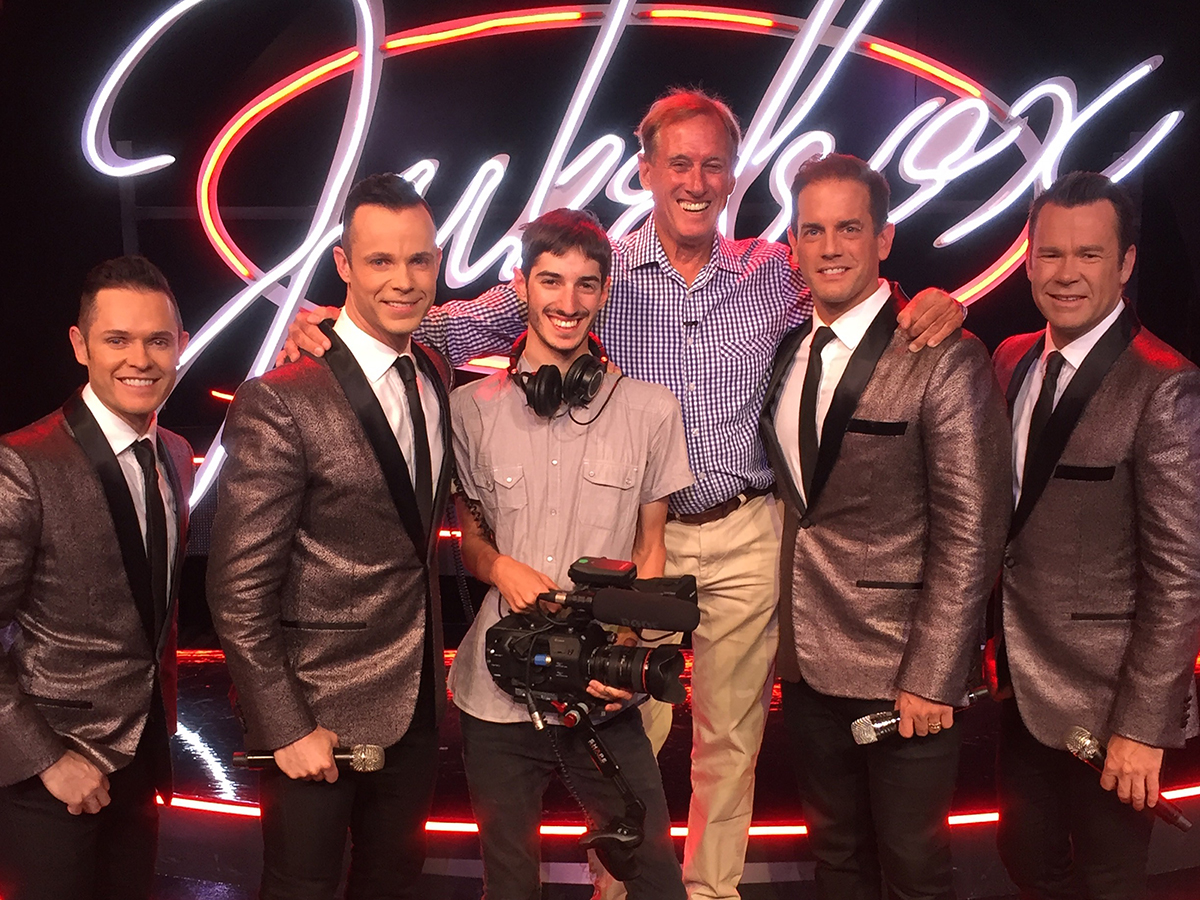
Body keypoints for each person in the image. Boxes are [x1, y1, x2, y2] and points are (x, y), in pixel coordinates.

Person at [284, 89, 964, 900]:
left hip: (747, 530)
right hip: (638, 541)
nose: (695, 180)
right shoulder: (596, 268)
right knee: (620, 726)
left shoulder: (772, 271)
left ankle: (709, 893)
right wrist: (328, 326)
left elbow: (850, 282)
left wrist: (930, 299)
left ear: (734, 175)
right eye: (678, 162)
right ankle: (621, 890)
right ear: (644, 171)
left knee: (731, 741)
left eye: (713, 163)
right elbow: (446, 323)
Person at [760, 154, 1010, 900]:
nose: (830, 247)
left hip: (904, 673)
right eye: (813, 231)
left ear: (884, 238)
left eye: (849, 228)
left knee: (913, 873)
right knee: (836, 863)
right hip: (806, 666)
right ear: (793, 244)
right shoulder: (787, 350)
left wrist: (934, 677)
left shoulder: (945, 357)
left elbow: (972, 530)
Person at [206, 174, 454, 900]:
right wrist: (284, 726)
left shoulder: (433, 370)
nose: (403, 280)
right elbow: (237, 588)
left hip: (415, 705)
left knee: (394, 884)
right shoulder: (279, 399)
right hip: (315, 708)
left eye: (419, 260)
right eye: (380, 261)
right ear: (343, 265)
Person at [450, 207, 693, 899]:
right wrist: (500, 567)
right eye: (551, 280)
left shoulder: (650, 409)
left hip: (600, 692)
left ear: (605, 292)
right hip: (497, 690)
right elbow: (471, 541)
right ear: (521, 284)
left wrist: (626, 643)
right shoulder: (470, 410)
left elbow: (650, 546)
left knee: (657, 880)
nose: (568, 301)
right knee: (510, 886)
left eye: (587, 283)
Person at [989, 171, 1200, 900]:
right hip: (1021, 686)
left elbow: (1180, 575)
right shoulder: (1012, 358)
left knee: (1109, 884)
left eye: (1089, 254)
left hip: (1114, 701)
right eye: (1051, 253)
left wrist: (1144, 729)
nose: (1066, 273)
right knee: (1027, 863)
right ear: (1028, 261)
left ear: (1127, 262)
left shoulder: (1165, 384)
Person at [0, 257, 193, 900]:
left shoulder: (175, 453)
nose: (140, 359)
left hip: (141, 759)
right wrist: (47, 759)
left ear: (180, 345)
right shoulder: (22, 464)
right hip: (49, 773)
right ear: (80, 345)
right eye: (117, 339)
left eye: (157, 340)